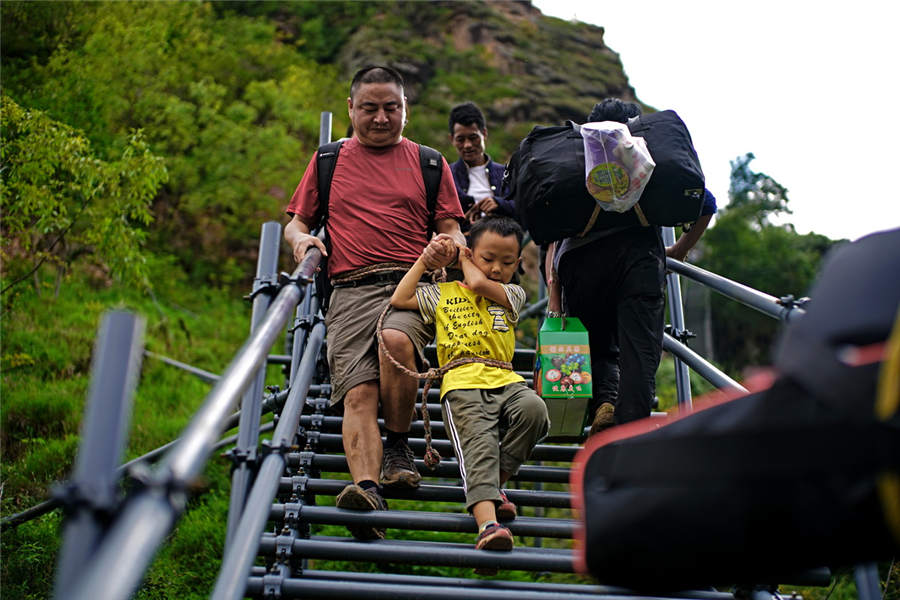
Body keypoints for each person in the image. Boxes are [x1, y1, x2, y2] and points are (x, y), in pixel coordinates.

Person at [284, 65, 466, 540]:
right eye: (370, 108)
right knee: (359, 393)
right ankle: (366, 486)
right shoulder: (327, 160)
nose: (381, 118)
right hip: (348, 292)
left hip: (412, 287)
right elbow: (296, 223)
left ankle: (400, 448)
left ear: (406, 110)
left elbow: (451, 227)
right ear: (351, 109)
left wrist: (449, 245)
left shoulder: (430, 162)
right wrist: (302, 242)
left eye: (392, 108)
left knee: (394, 340)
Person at [546, 98, 717, 435]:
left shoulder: (579, 162)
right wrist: (679, 251)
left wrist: (554, 290)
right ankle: (631, 432)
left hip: (581, 263)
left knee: (597, 342)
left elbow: (552, 231)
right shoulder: (646, 160)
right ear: (634, 129)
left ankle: (605, 401)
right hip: (639, 260)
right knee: (639, 351)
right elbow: (705, 204)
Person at [391, 216, 550, 561]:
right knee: (478, 445)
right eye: (488, 258)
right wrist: (426, 259)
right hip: (461, 384)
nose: (497, 269)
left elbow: (477, 282)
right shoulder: (443, 293)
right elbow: (400, 298)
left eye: (507, 263)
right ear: (473, 253)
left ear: (519, 265)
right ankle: (488, 526)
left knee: (535, 412)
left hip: (505, 379)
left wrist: (464, 258)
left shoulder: (512, 293)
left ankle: (493, 487)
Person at [448, 102, 515, 227]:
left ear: (484, 134)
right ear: (451, 139)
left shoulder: (506, 173)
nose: (467, 145)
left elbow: (522, 207)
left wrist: (499, 204)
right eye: (460, 139)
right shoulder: (446, 176)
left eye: (473, 138)